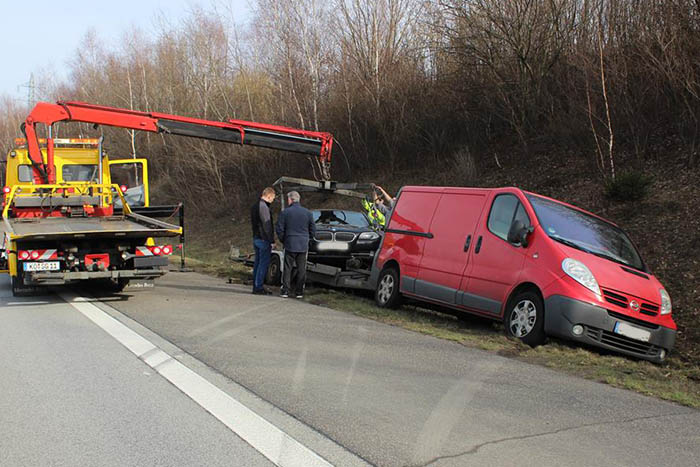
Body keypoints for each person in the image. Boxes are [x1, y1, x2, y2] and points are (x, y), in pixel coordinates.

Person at [276, 191, 315, 299]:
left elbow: (279, 228)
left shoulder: (285, 212)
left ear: (290, 200)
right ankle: (299, 291)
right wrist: (308, 239)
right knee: (301, 268)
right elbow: (313, 229)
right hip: (303, 244)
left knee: (287, 268)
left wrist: (283, 239)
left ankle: (285, 290)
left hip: (290, 243)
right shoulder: (308, 213)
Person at [250, 187, 276, 295]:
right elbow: (266, 225)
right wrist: (271, 240)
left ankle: (256, 285)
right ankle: (259, 286)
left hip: (256, 237)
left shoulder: (254, 206)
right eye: (273, 198)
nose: (273, 201)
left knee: (257, 263)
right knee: (263, 264)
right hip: (263, 239)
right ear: (269, 196)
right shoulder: (264, 207)